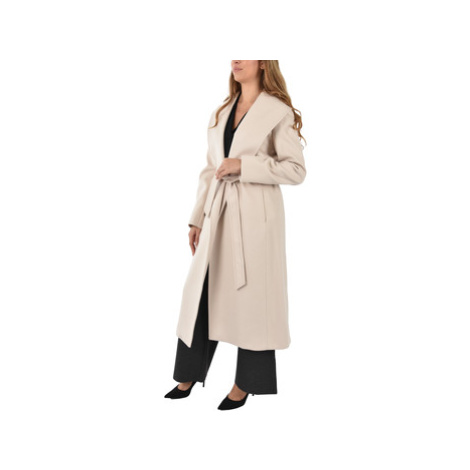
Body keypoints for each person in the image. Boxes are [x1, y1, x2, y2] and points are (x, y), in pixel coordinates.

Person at [165, 60, 307, 410]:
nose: (236, 59)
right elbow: (210, 168)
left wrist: (245, 166)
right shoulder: (222, 111)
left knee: (254, 302)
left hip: (256, 219)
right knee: (201, 290)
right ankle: (188, 373)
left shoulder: (277, 112)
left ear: (264, 63)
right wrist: (196, 218)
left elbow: (295, 169)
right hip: (217, 213)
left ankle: (246, 383)